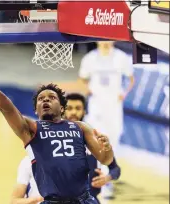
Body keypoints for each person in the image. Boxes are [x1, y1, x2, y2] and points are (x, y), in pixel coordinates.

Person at [0, 54, 114, 204]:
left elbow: (105, 159)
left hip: (84, 200)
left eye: (52, 97)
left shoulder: (80, 127)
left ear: (62, 108)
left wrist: (108, 149)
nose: (45, 99)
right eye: (41, 99)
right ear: (36, 110)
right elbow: (5, 106)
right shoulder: (31, 129)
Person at [10, 93, 121, 204]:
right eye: (70, 108)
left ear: (84, 112)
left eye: (78, 108)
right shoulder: (42, 150)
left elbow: (115, 168)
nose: (73, 112)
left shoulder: (94, 142)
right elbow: (14, 200)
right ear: (61, 110)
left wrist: (107, 177)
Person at [78, 41, 134, 198]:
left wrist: (124, 93)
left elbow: (131, 79)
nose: (105, 41)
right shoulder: (89, 58)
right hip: (96, 106)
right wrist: (90, 90)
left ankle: (107, 177)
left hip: (114, 107)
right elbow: (82, 78)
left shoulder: (121, 57)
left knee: (113, 140)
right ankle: (92, 174)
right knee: (93, 140)